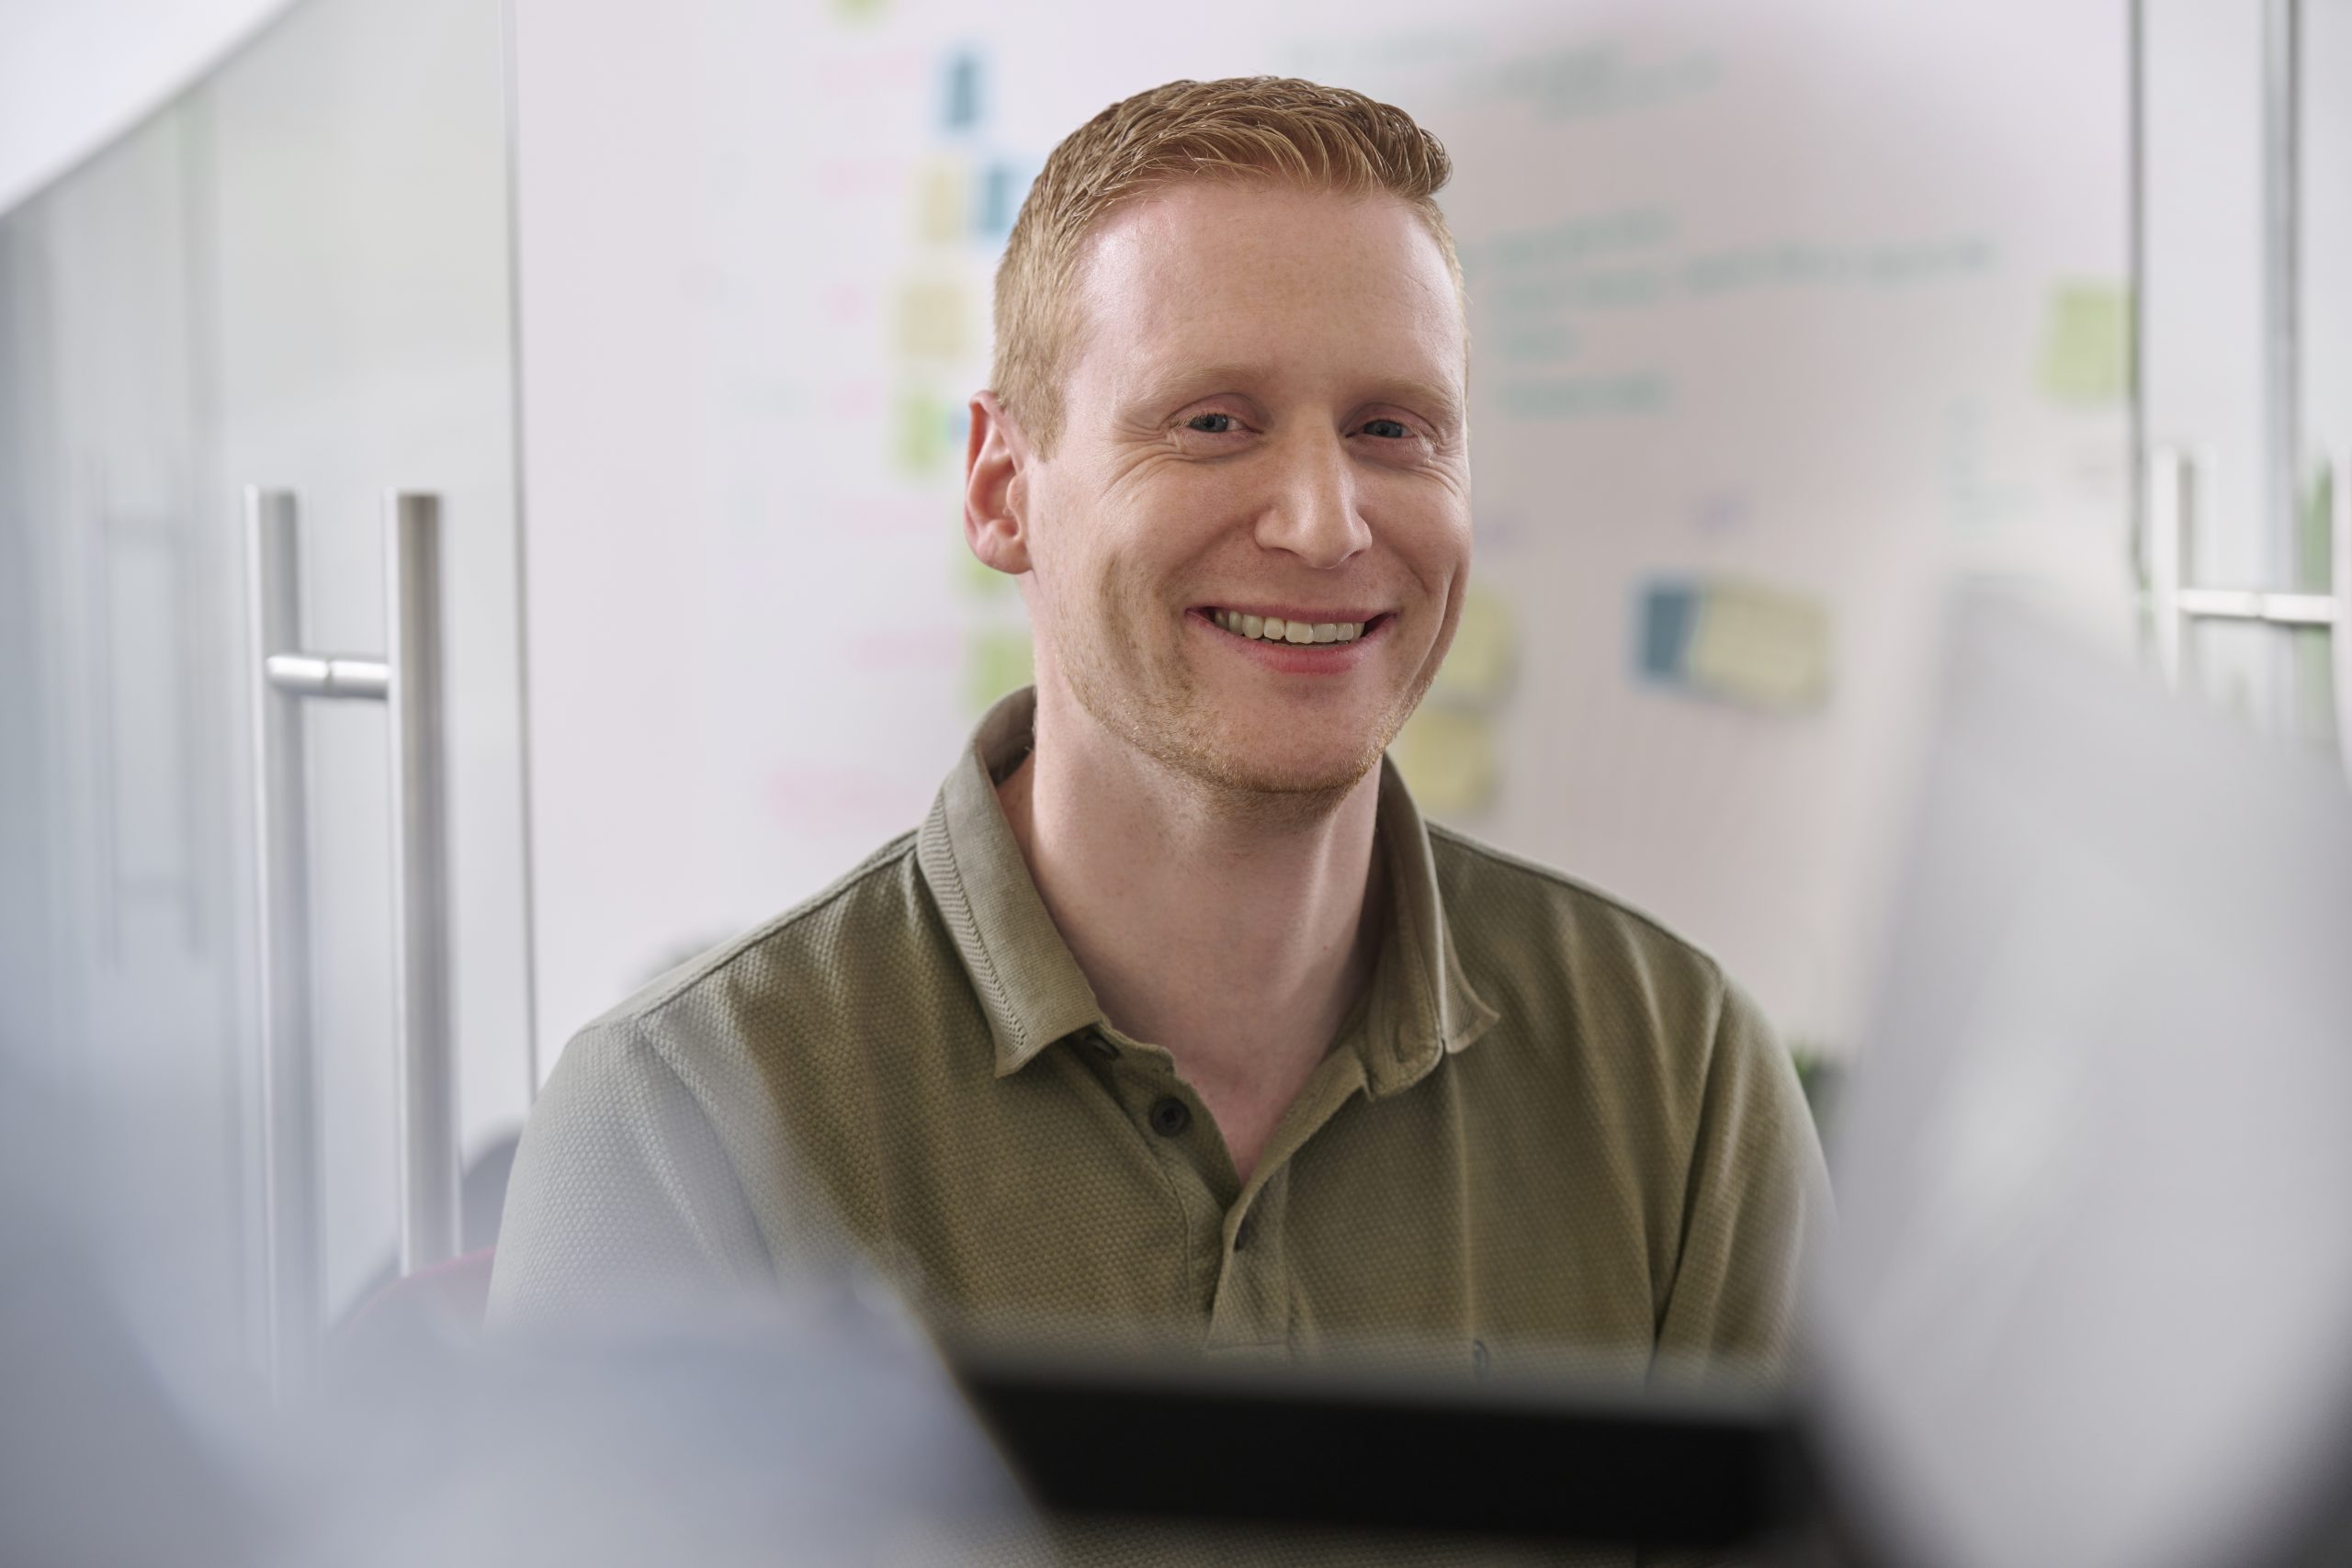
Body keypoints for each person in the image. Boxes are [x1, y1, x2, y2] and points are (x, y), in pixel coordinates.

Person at [490, 77, 1826, 1388]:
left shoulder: (1685, 1081)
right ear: (1003, 489)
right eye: (1212, 423)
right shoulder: (683, 1124)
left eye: (1391, 429)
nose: (1325, 521)